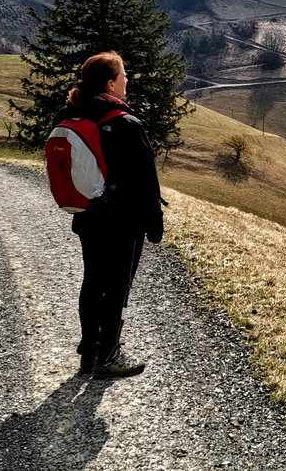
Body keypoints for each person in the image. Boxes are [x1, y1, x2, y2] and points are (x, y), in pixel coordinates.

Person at [60, 51, 164, 379]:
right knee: (118, 287)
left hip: (88, 216)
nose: (127, 80)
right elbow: (147, 180)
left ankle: (89, 353)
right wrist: (155, 224)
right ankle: (109, 356)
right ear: (110, 84)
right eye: (123, 75)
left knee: (92, 282)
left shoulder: (75, 115)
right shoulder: (126, 123)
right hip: (123, 222)